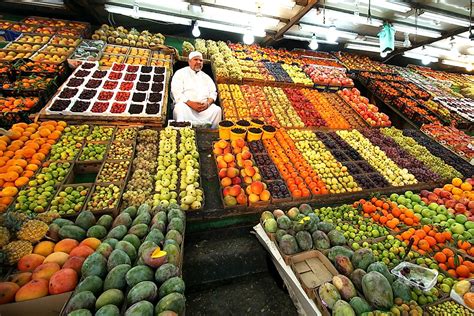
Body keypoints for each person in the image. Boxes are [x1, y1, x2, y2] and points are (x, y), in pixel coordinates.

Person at [171, 51, 222, 128]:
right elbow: (177, 92)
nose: (198, 62)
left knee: (217, 110)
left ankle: (212, 134)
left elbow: (213, 93)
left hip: (204, 109)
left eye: (201, 60)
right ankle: (182, 134)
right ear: (189, 61)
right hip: (187, 108)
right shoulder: (180, 73)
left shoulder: (206, 77)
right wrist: (191, 104)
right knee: (179, 108)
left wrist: (207, 103)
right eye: (196, 59)